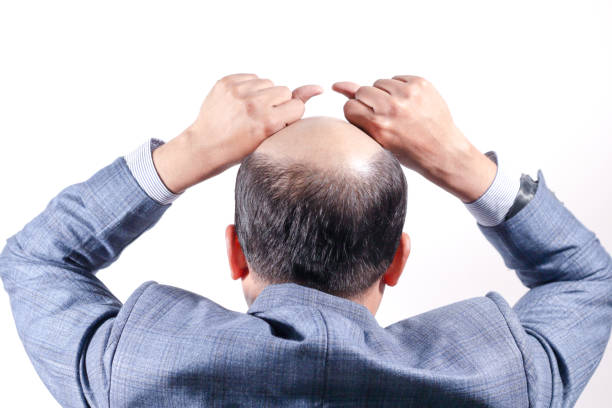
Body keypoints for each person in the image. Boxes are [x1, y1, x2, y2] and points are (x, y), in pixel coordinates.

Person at [0, 73, 609, 408]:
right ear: (396, 260)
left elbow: (37, 259)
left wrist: (187, 154)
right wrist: (458, 160)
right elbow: (587, 278)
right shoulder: (505, 379)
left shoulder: (132, 370)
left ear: (235, 250)